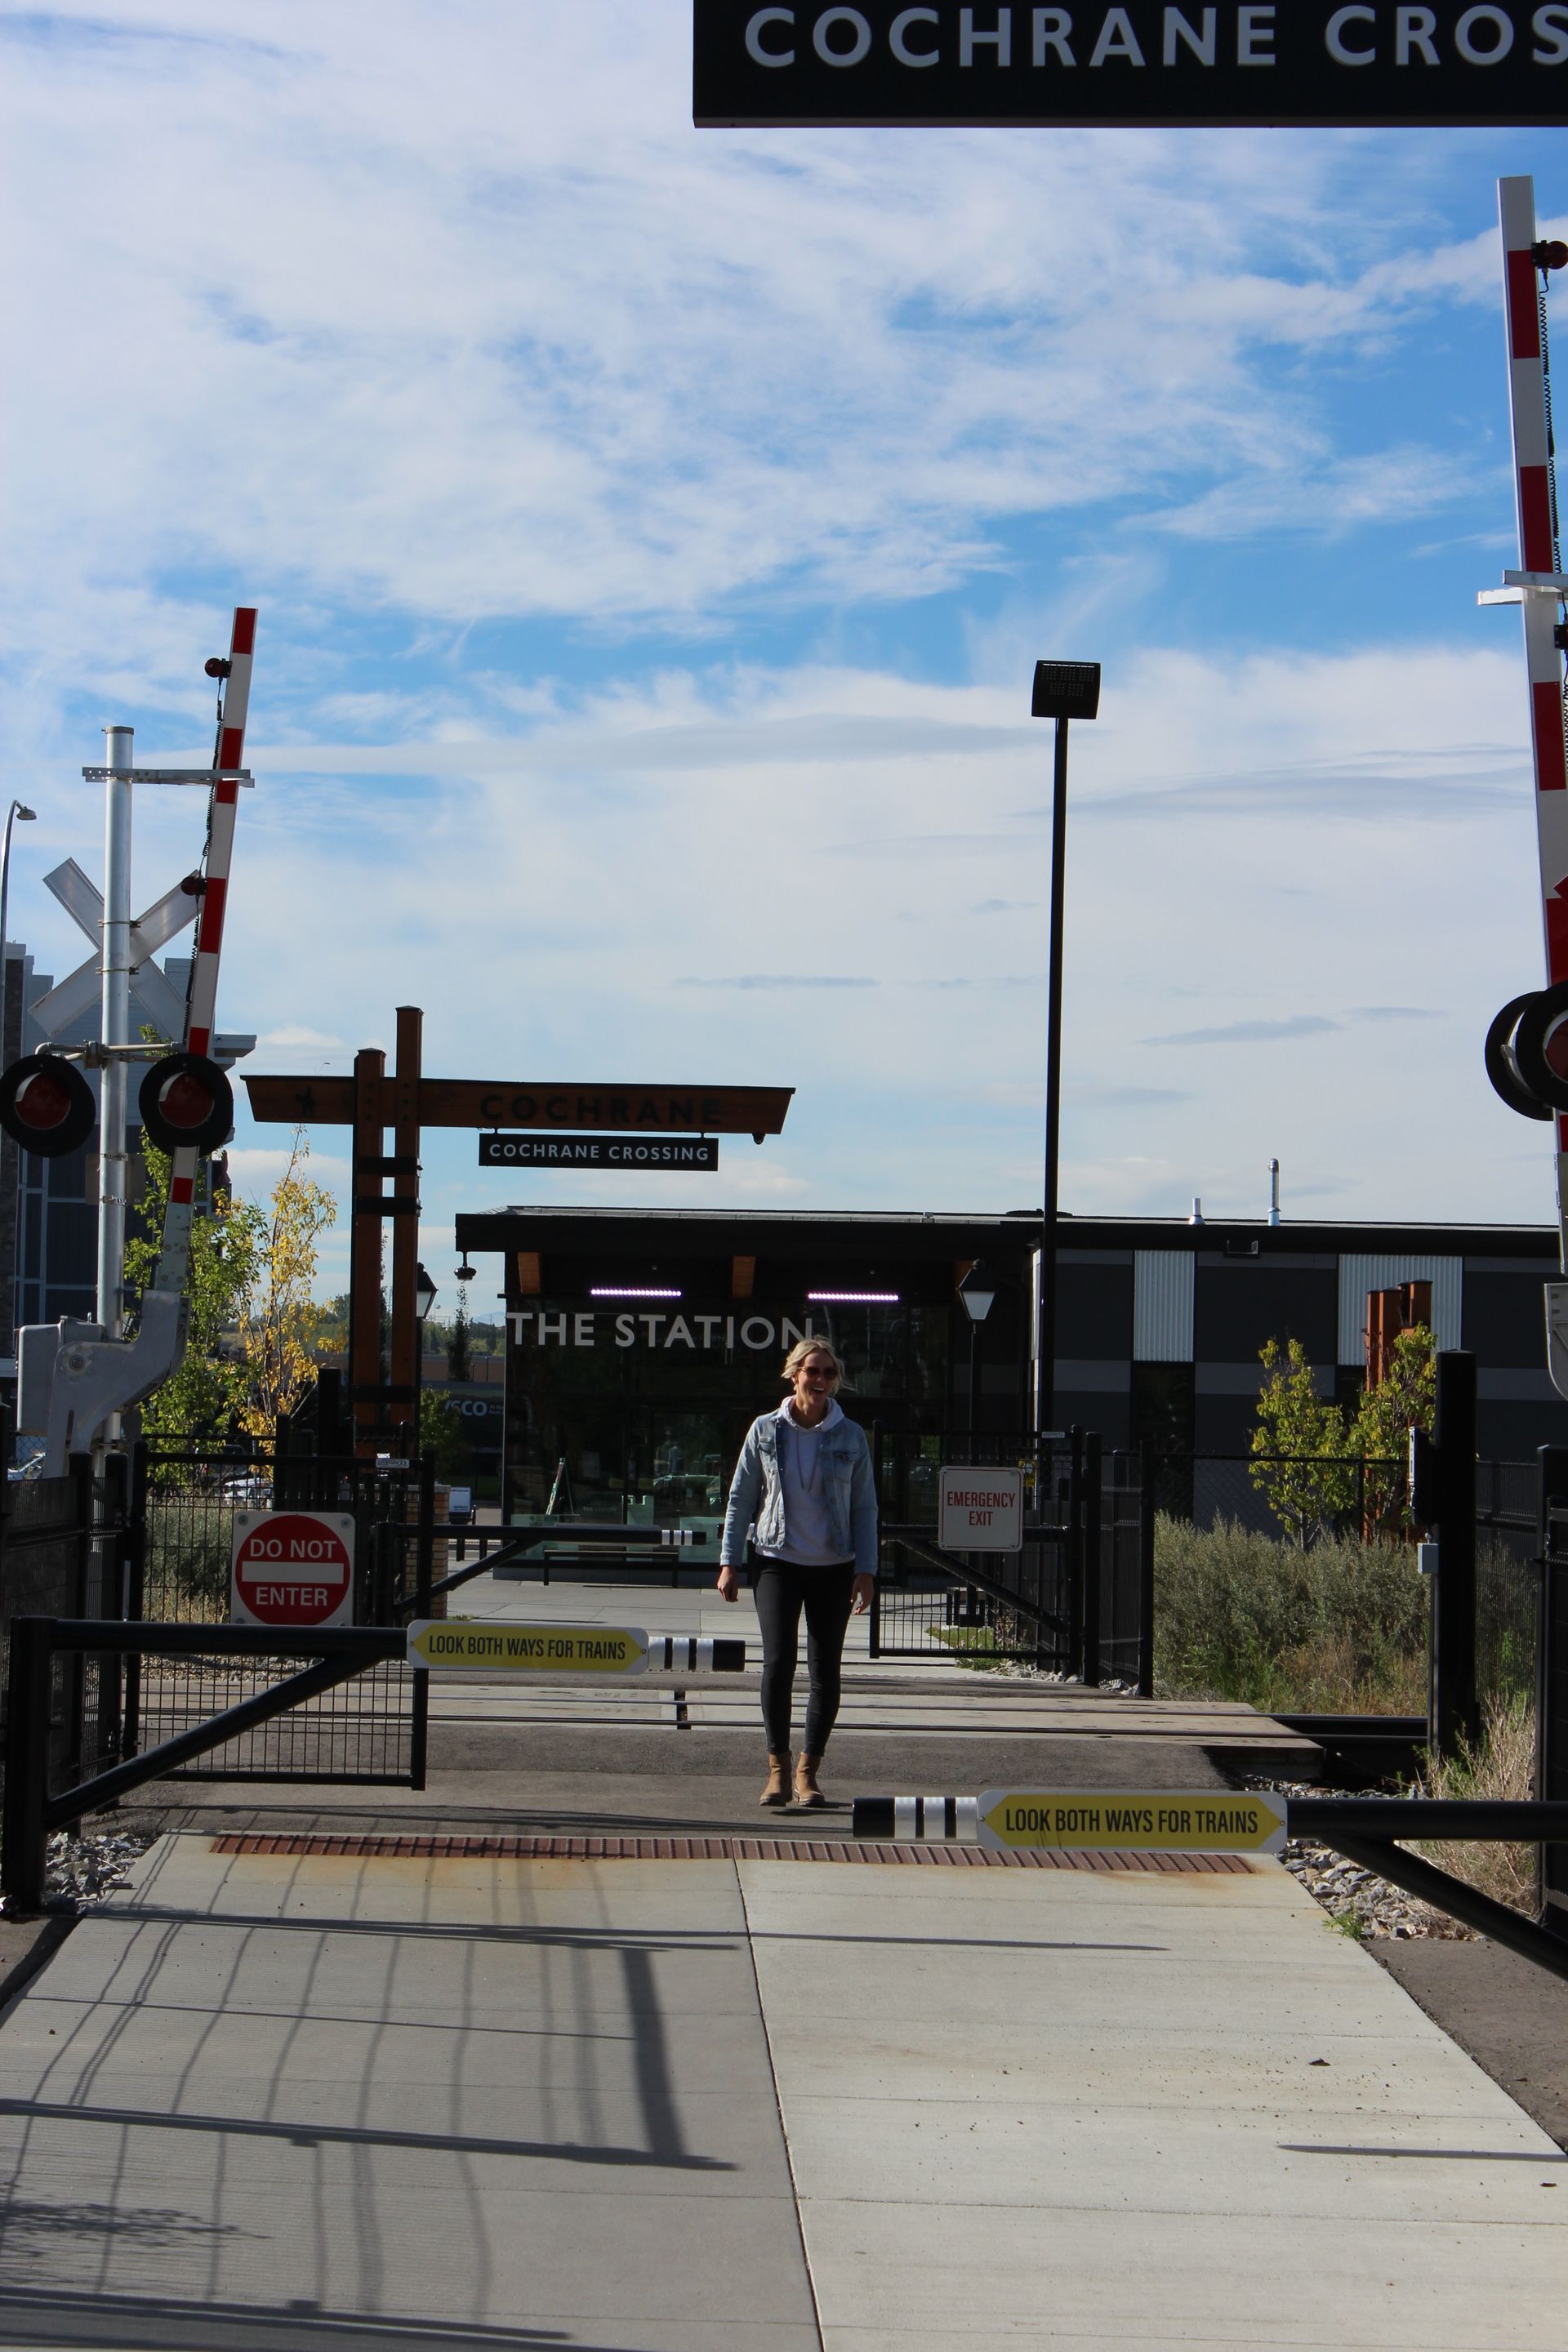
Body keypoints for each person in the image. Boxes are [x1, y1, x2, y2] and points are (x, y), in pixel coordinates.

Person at [717, 1338, 877, 1809]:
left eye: (829, 1373)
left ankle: (809, 1773)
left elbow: (865, 1508)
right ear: (794, 1375)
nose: (822, 1380)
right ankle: (778, 1771)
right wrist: (729, 1561)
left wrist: (866, 1570)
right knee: (778, 1662)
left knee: (826, 1669)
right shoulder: (765, 1430)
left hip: (834, 1566)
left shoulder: (851, 1436)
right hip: (776, 1561)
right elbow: (741, 1498)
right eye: (813, 1371)